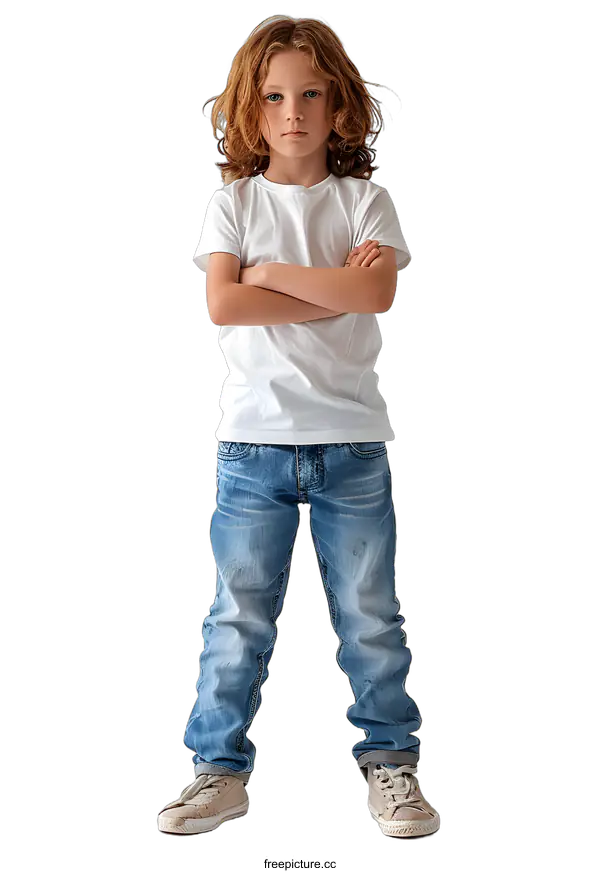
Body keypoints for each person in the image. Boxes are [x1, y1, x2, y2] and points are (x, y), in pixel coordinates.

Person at [157, 15, 439, 840]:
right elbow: (224, 303)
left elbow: (375, 296)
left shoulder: (366, 202)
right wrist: (321, 287)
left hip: (352, 441)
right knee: (238, 612)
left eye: (311, 94)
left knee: (370, 611)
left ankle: (392, 764)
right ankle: (218, 771)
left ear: (339, 104)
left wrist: (274, 274)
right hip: (252, 446)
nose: (293, 112)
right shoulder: (232, 205)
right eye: (275, 96)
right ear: (251, 109)